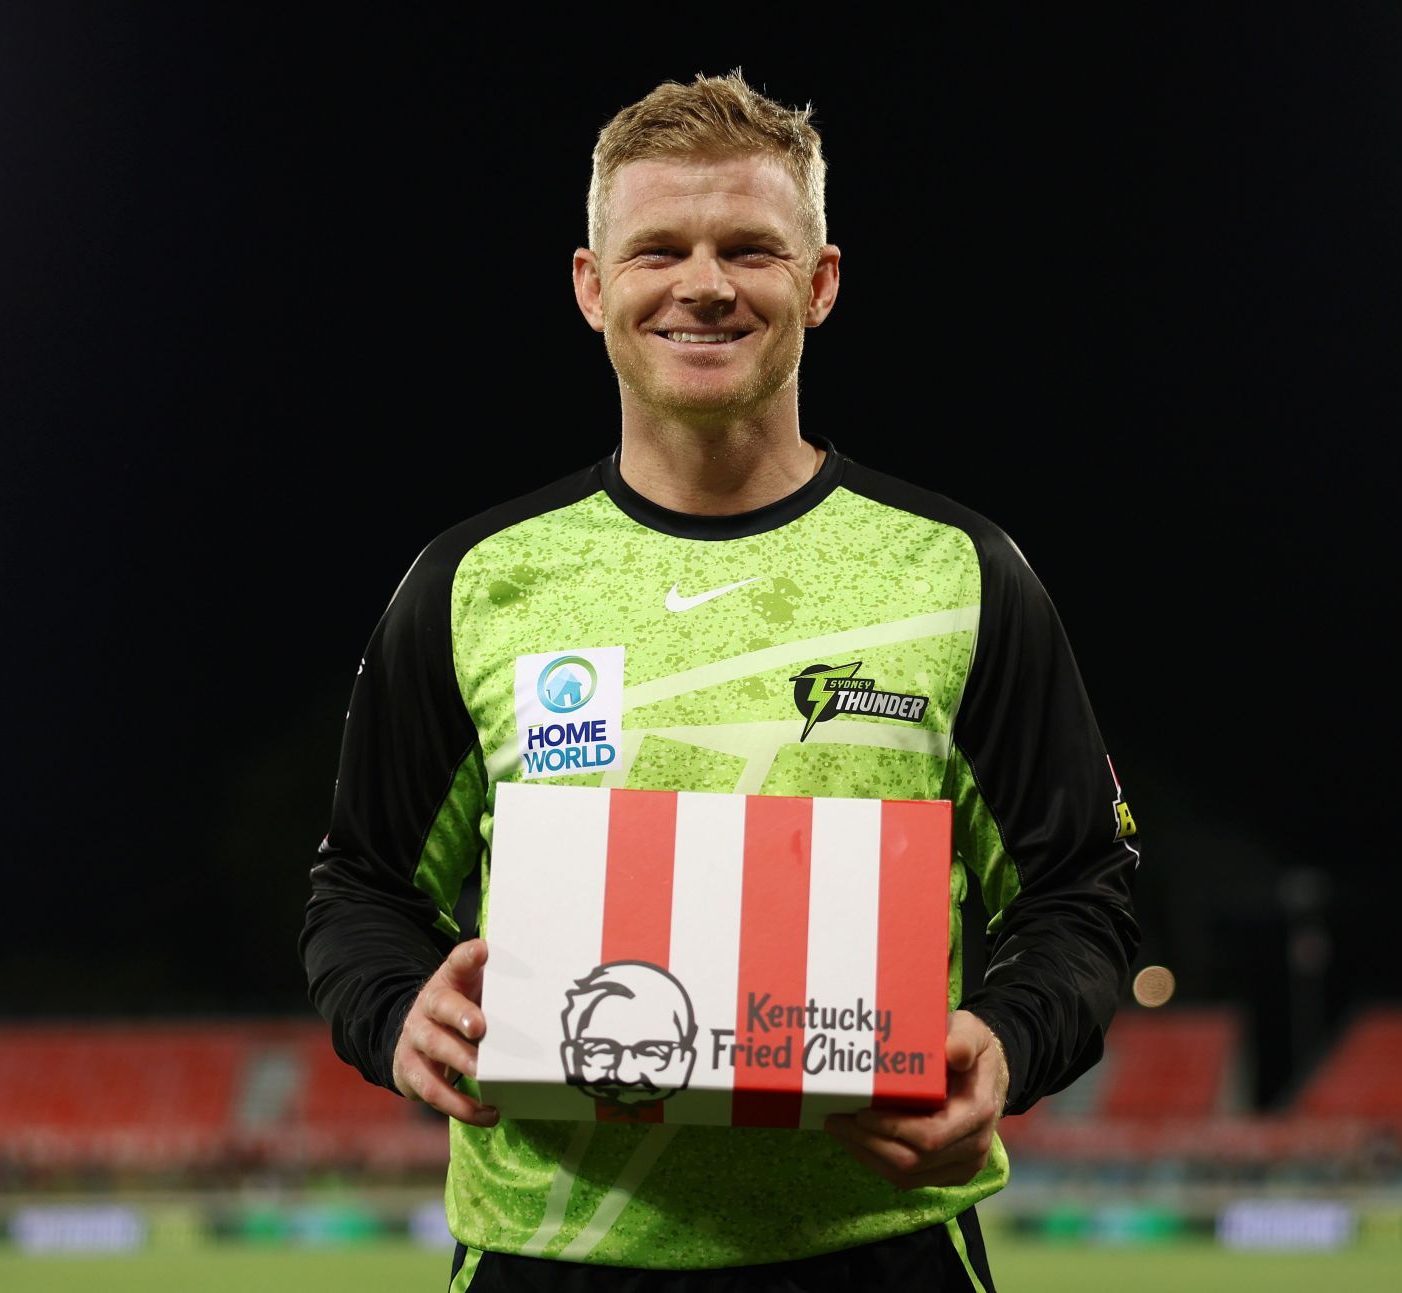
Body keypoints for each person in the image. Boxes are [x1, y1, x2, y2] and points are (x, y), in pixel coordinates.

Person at [299, 69, 1141, 1291]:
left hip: (877, 1247)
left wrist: (1006, 1045)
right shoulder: (474, 583)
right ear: (594, 288)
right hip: (553, 1255)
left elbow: (1082, 891)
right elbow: (360, 891)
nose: (702, 283)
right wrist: (393, 1013)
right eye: (658, 249)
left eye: (748, 247)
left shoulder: (963, 574)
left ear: (820, 281)